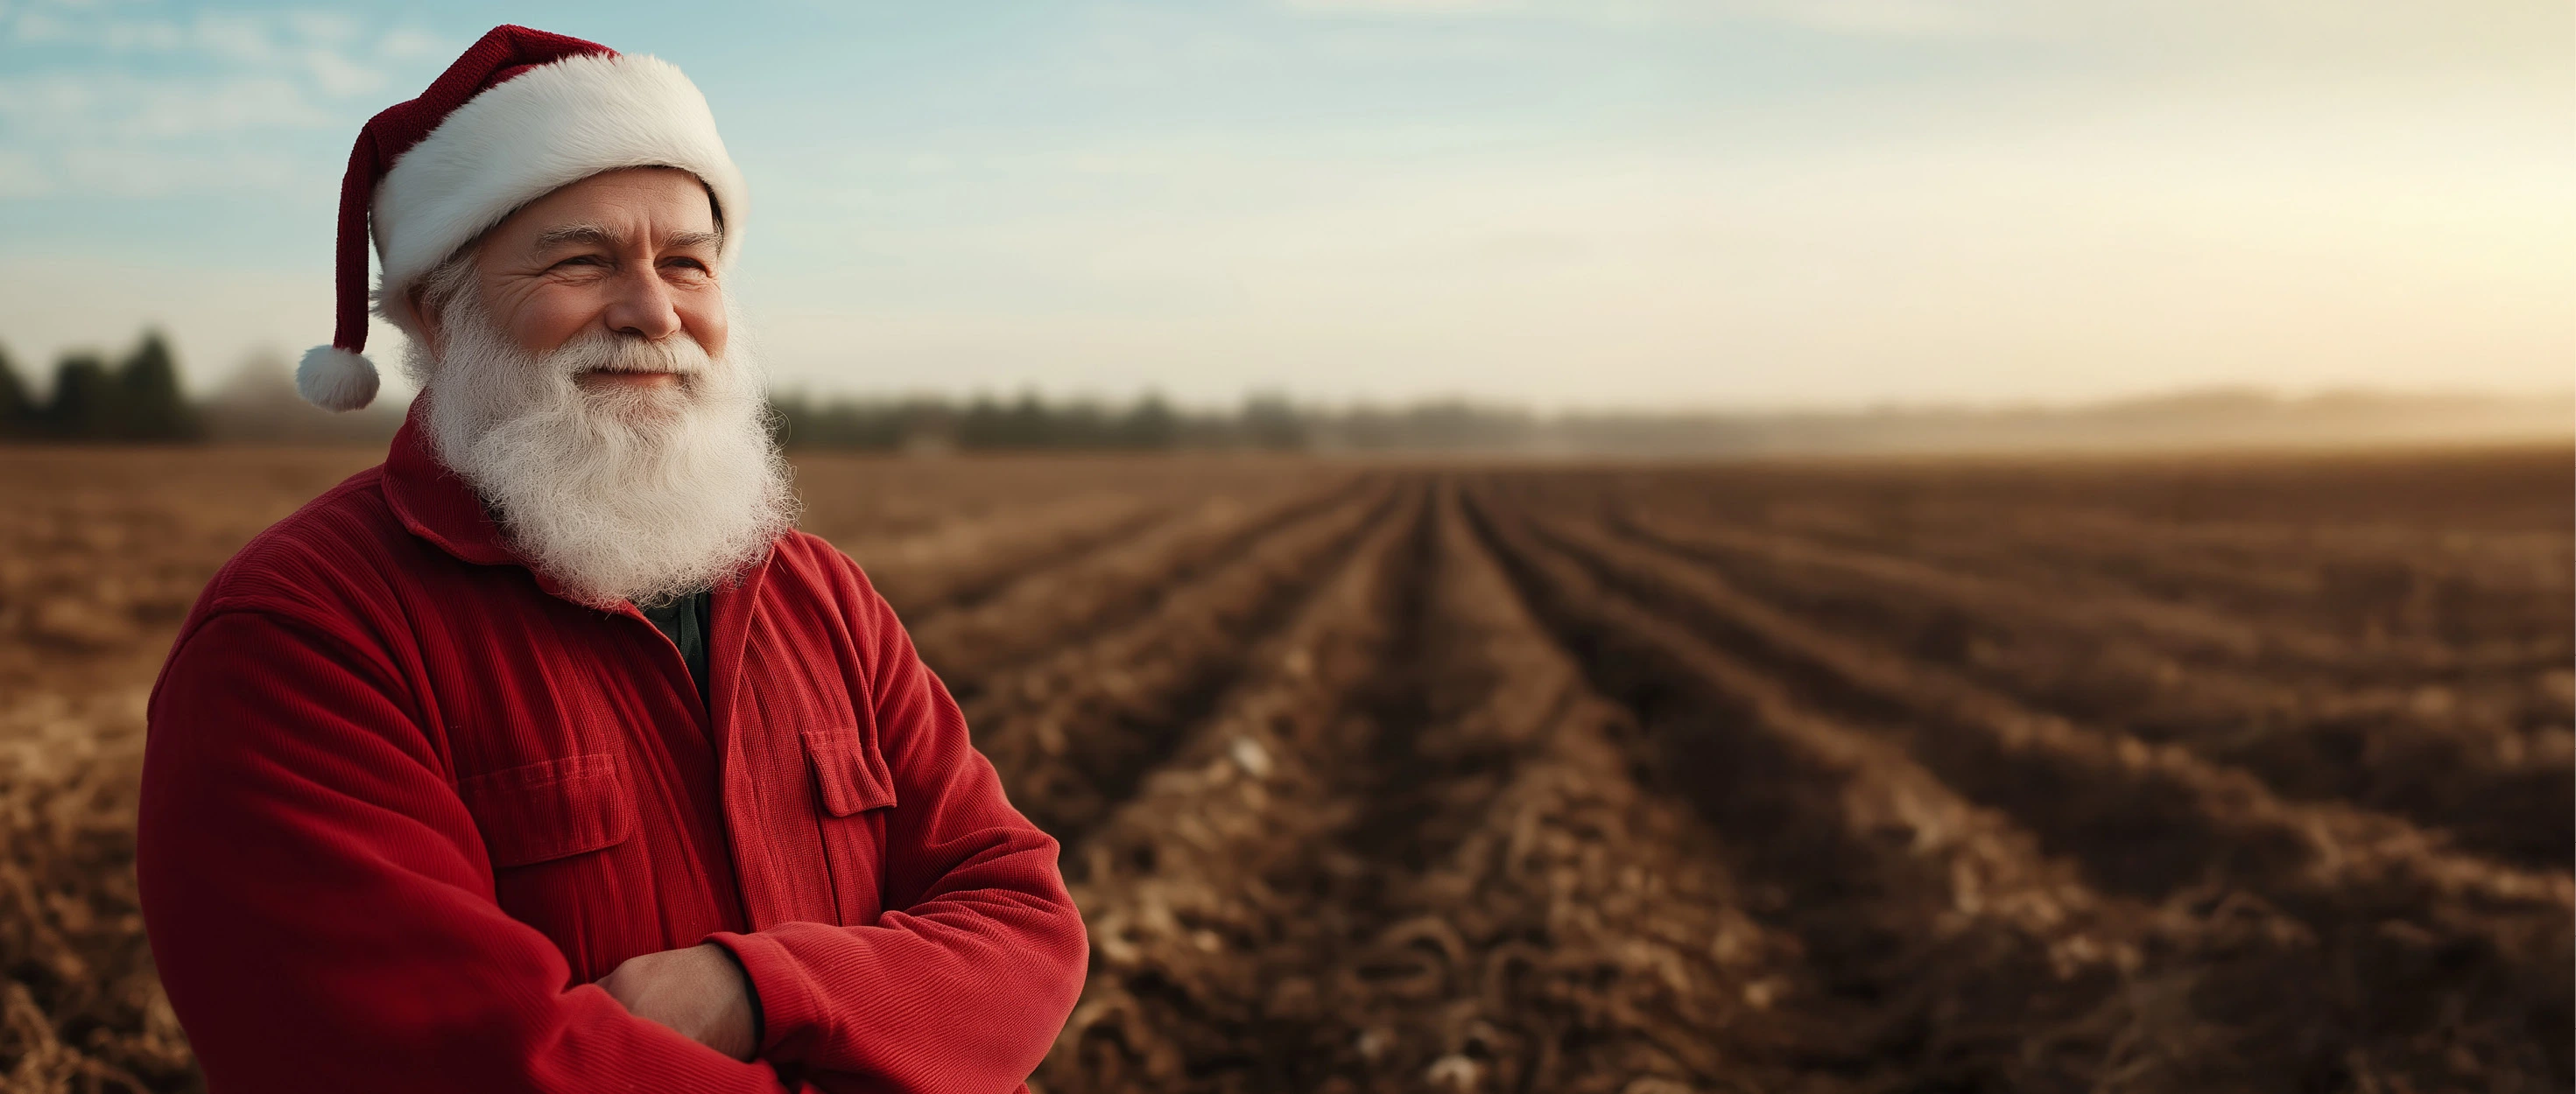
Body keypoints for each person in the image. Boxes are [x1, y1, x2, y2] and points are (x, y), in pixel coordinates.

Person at [134, 25, 1087, 1093]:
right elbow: (443, 1063)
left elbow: (1019, 916)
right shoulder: (303, 632)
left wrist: (760, 987)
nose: (652, 312)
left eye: (687, 262)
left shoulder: (818, 593)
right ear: (437, 315)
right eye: (581, 261)